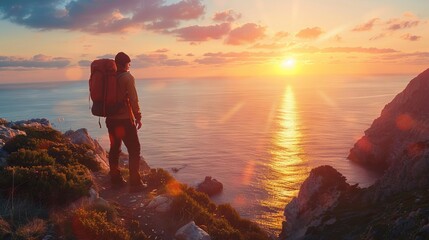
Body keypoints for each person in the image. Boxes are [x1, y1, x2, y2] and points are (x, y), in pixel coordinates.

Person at [106, 52, 145, 190]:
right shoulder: (127, 77)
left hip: (110, 120)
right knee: (134, 149)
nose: (129, 66)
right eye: (129, 64)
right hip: (124, 121)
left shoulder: (109, 77)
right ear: (124, 64)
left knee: (115, 149)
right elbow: (133, 99)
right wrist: (138, 116)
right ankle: (135, 182)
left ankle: (115, 179)